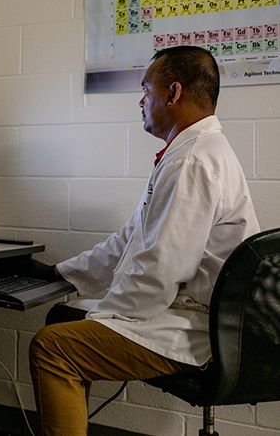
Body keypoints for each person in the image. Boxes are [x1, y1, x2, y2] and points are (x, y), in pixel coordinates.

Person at [28, 46, 260, 436]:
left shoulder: (193, 161)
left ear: (173, 93)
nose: (141, 101)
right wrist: (60, 272)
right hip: (192, 313)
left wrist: (104, 313)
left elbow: (162, 271)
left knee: (53, 348)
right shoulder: (190, 152)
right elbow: (130, 239)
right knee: (63, 318)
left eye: (145, 90)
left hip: (198, 328)